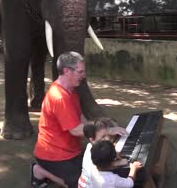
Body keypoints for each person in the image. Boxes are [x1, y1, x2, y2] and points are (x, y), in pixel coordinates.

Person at [32, 52, 126, 188]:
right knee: (85, 185)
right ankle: (40, 171)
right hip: (53, 156)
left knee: (100, 170)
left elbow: (80, 117)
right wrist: (107, 130)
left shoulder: (70, 90)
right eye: (80, 72)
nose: (84, 75)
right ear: (67, 71)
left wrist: (96, 138)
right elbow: (76, 130)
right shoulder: (60, 97)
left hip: (71, 151)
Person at [79, 118, 128, 188]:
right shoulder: (91, 156)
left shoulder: (93, 145)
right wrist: (118, 163)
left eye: (108, 134)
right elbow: (97, 169)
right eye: (103, 137)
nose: (108, 139)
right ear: (92, 139)